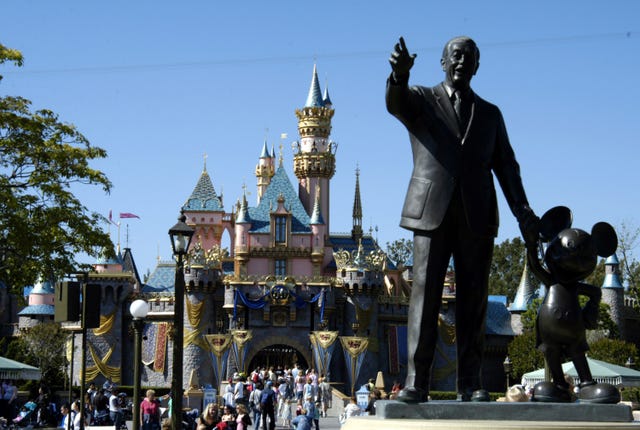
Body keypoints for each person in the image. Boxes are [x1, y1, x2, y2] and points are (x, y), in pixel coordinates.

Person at [386, 36, 539, 403]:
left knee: (474, 300)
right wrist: (398, 76)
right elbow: (396, 103)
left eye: (469, 58)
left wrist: (523, 212)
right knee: (424, 297)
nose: (461, 62)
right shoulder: (422, 100)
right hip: (431, 213)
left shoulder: (490, 114)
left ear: (477, 66)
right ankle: (415, 382)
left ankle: (470, 384)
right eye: (456, 56)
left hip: (477, 214)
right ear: (442, 62)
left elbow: (507, 168)